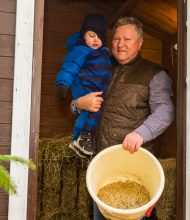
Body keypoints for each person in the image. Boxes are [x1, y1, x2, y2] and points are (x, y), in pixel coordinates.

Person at [71, 16, 175, 220]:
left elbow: (165, 111)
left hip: (134, 170)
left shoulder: (154, 74)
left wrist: (140, 134)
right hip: (102, 169)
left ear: (140, 42)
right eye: (116, 39)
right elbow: (77, 102)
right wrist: (79, 104)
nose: (120, 45)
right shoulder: (101, 68)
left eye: (126, 39)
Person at [55, 13, 112, 158]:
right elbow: (70, 66)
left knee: (93, 113)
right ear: (83, 35)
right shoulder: (80, 50)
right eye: (91, 35)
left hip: (97, 90)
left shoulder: (104, 53)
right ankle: (81, 138)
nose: (95, 40)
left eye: (99, 37)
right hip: (85, 88)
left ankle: (81, 139)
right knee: (90, 113)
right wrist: (63, 84)